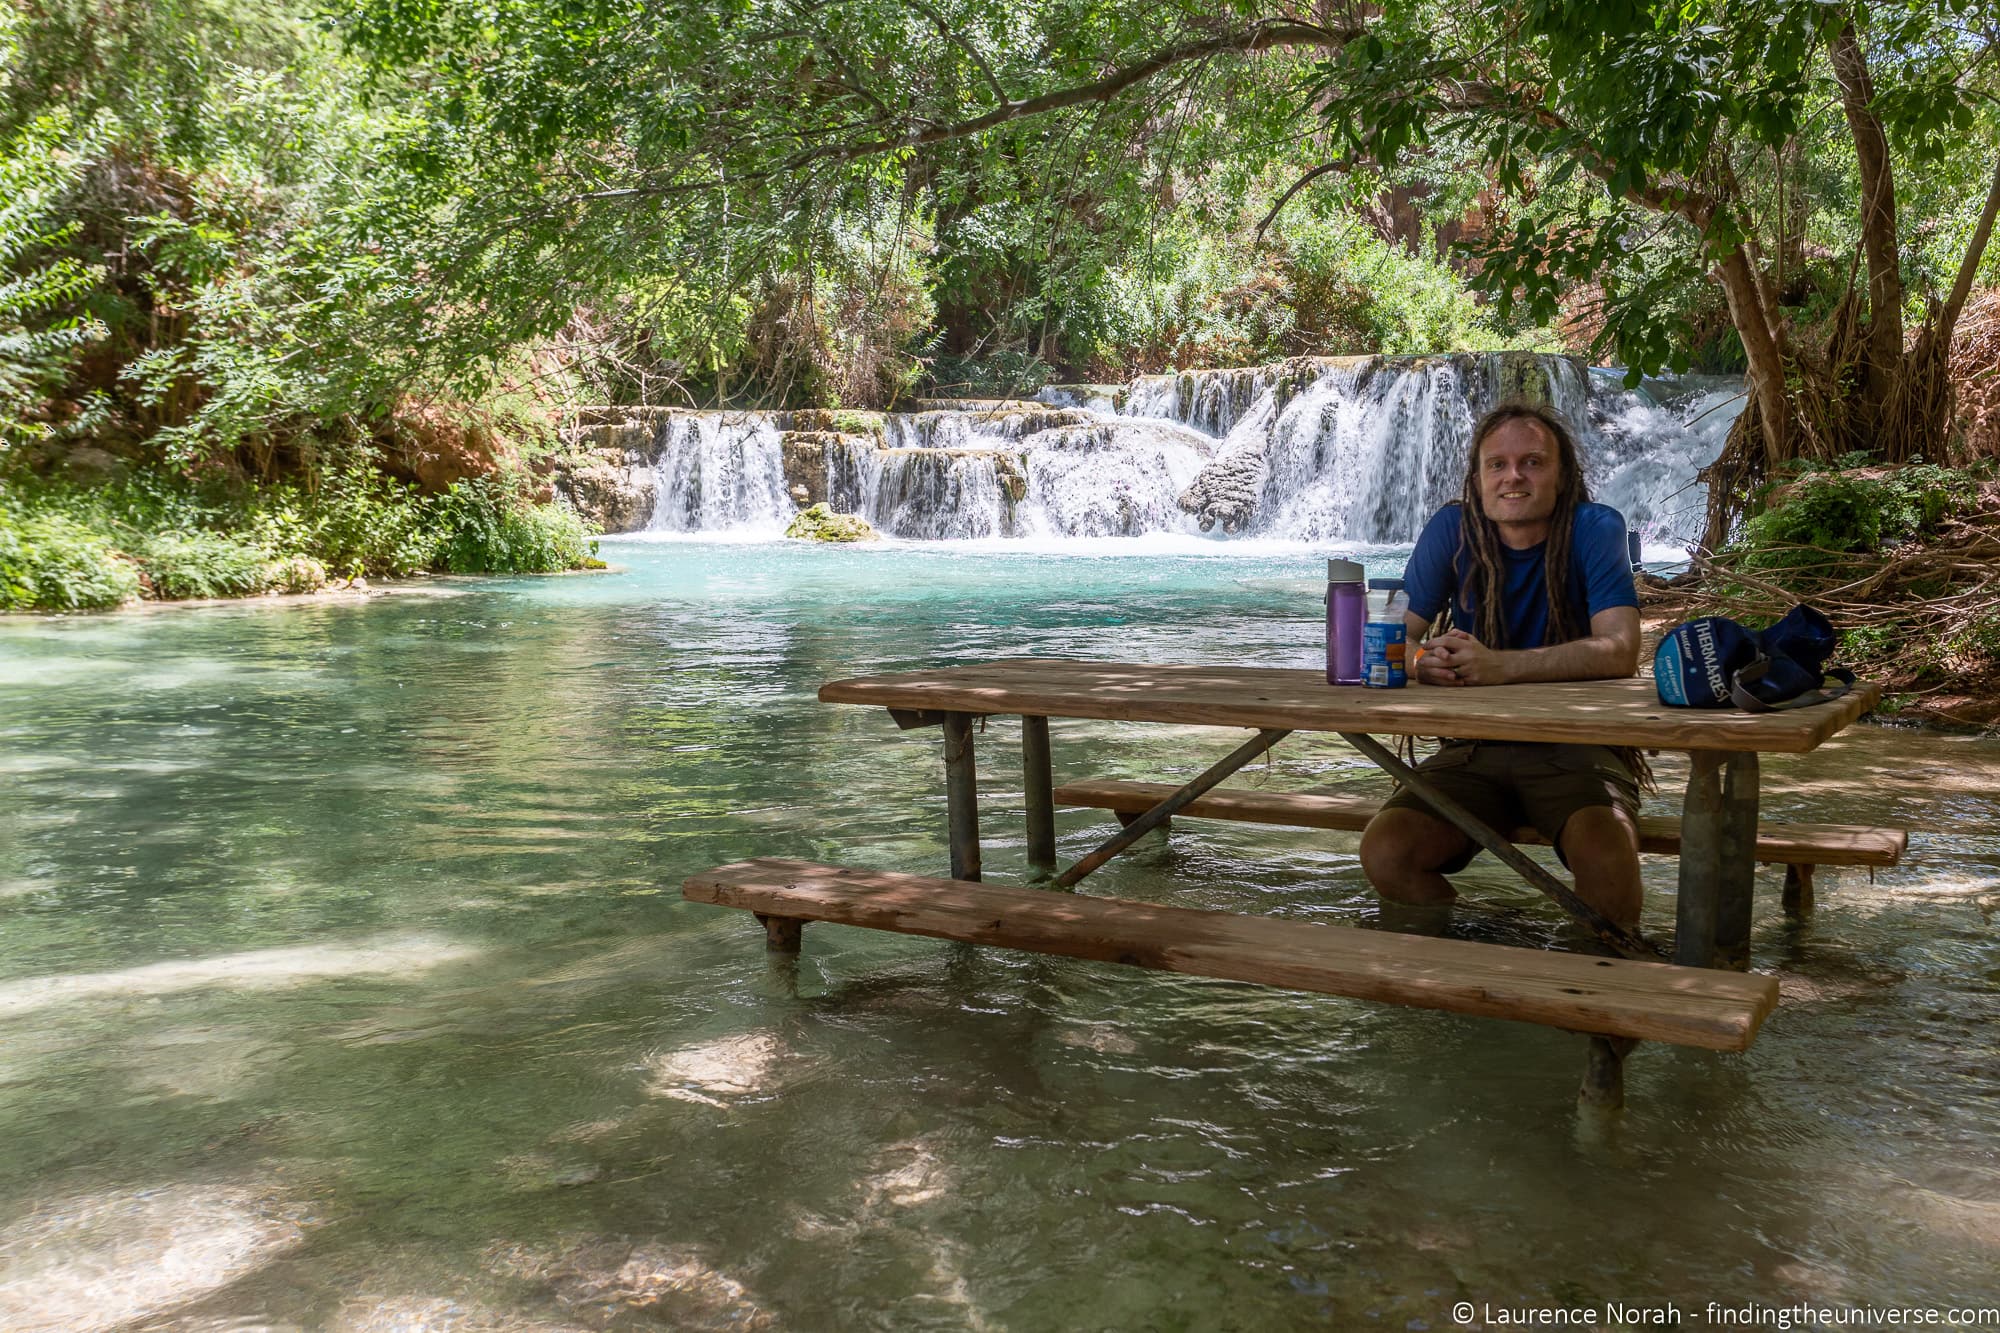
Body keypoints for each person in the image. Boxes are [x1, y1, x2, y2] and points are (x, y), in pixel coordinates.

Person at [1356, 402, 1645, 927]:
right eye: (1498, 464)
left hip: (1577, 746)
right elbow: (1391, 640)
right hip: (1474, 749)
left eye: (1532, 462)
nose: (1513, 476)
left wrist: (1501, 667)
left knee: (1608, 863)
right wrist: (1422, 663)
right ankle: (1479, 950)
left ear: (1562, 476)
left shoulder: (1595, 527)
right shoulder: (1452, 528)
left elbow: (1621, 648)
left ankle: (1595, 974)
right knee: (1388, 851)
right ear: (1478, 479)